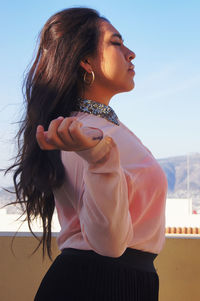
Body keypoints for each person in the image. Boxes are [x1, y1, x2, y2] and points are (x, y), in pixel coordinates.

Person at [9, 7, 167, 301]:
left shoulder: (102, 128)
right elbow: (109, 244)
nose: (131, 54)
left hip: (121, 281)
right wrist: (98, 159)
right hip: (100, 284)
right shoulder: (79, 132)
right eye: (116, 43)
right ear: (85, 60)